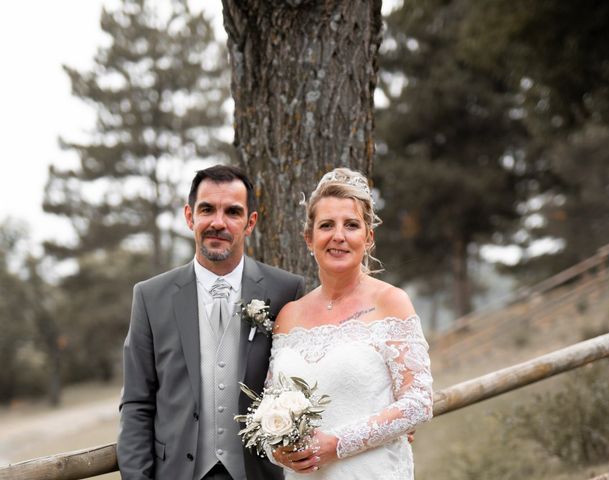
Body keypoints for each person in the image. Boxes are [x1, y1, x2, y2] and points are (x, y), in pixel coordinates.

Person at [117, 165, 305, 480]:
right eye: (207, 209)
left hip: (258, 473)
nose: (218, 223)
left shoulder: (286, 291)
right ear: (190, 216)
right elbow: (137, 403)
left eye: (232, 212)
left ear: (250, 223)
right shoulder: (150, 297)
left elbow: (311, 378)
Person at [269, 168, 433, 479]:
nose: (339, 236)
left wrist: (338, 444)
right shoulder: (288, 316)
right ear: (309, 238)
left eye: (352, 225)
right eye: (327, 225)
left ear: (368, 237)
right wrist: (275, 450)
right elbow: (267, 411)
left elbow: (418, 403)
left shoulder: (391, 302)